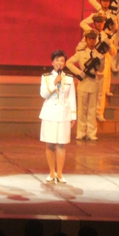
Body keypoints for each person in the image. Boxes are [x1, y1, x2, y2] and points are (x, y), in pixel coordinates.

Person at [39, 50, 76, 183]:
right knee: (50, 144)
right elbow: (43, 94)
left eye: (62, 61)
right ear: (52, 62)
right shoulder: (46, 77)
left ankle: (59, 173)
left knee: (61, 144)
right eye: (57, 60)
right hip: (49, 114)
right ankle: (51, 172)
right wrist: (54, 83)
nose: (59, 63)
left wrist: (73, 115)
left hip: (64, 114)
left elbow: (72, 97)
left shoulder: (69, 78)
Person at [66, 30, 104, 141]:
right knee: (82, 109)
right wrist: (79, 72)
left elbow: (101, 69)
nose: (92, 40)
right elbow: (69, 63)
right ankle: (81, 132)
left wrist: (102, 60)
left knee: (92, 109)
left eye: (94, 38)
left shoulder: (99, 54)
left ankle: (91, 133)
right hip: (83, 83)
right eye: (90, 38)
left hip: (94, 82)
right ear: (86, 40)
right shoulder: (81, 53)